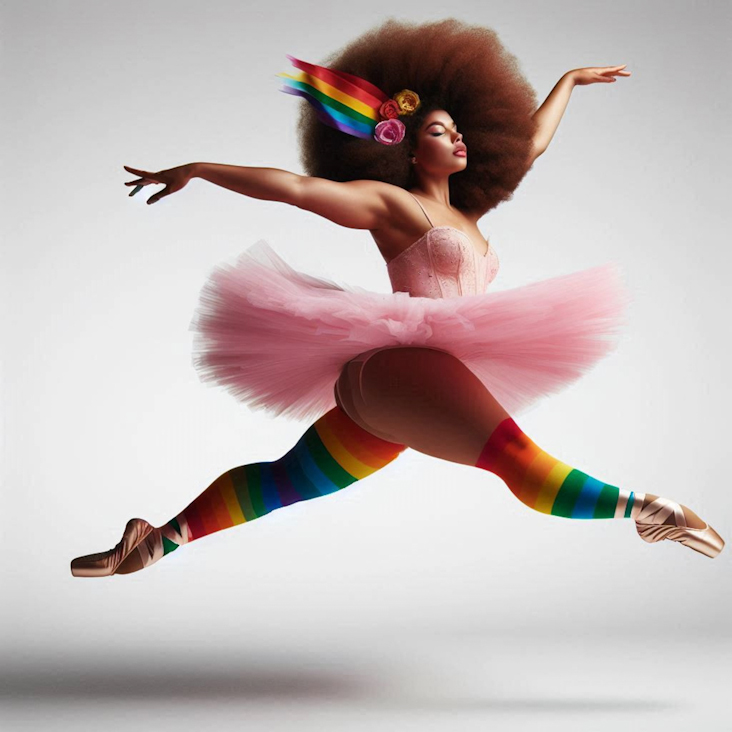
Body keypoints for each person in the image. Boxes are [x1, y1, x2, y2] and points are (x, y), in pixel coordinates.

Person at [70, 18, 724, 577]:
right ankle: (648, 510)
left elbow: (530, 144)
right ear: (409, 150)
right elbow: (295, 188)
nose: (460, 138)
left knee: (283, 482)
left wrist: (570, 83)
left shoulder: (468, 216)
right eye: (441, 131)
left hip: (396, 393)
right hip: (405, 366)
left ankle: (157, 542)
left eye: (462, 131)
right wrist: (199, 169)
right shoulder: (395, 205)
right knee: (516, 459)